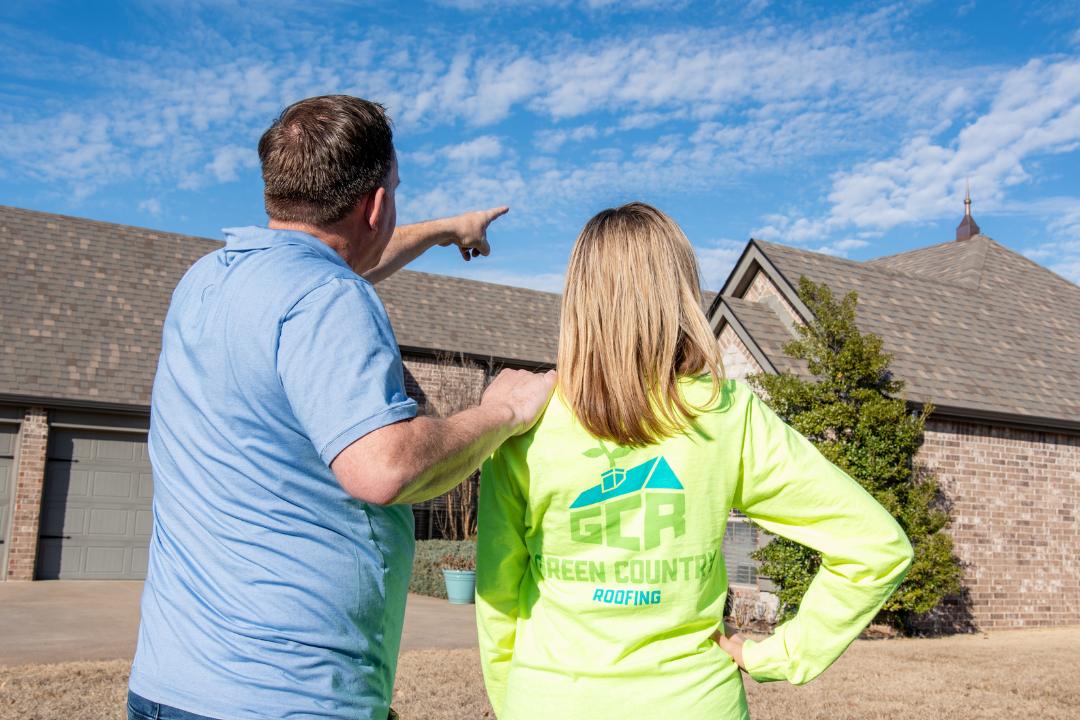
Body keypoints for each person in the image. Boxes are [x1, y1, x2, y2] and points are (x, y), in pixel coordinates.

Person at [127, 95, 556, 720]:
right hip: (285, 696)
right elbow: (383, 469)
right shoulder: (329, 297)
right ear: (376, 204)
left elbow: (337, 257)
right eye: (395, 190)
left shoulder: (208, 280)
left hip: (170, 686)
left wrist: (445, 229)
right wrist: (505, 412)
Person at [475, 202, 914, 719]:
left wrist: (515, 704)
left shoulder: (525, 419)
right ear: (679, 295)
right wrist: (780, 654)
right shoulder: (726, 413)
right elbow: (875, 548)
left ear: (578, 299)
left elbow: (498, 598)